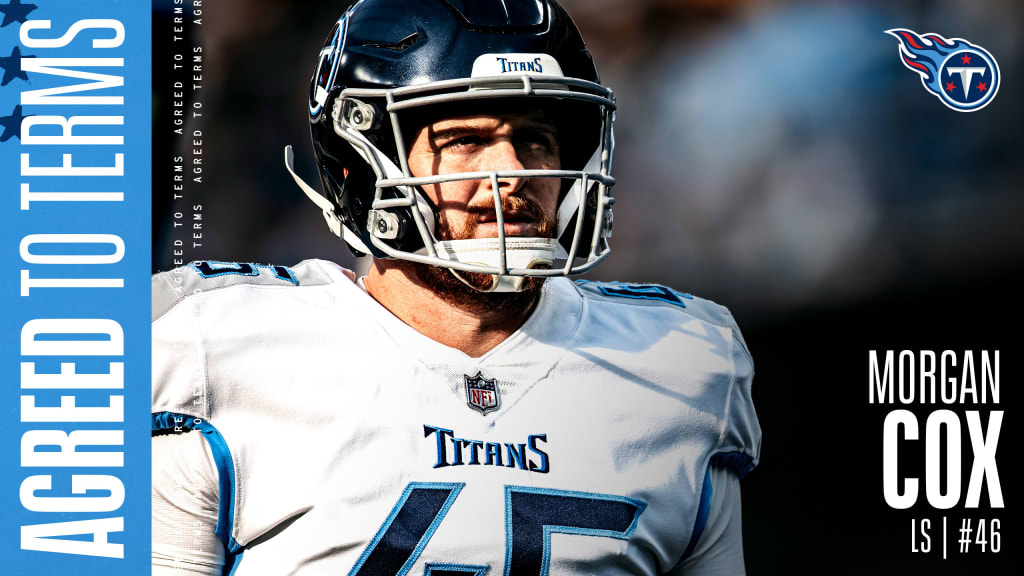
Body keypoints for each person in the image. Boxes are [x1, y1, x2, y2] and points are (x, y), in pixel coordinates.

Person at [151, 0, 760, 574]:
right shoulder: (216, 348)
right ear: (360, 166)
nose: (514, 174)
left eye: (536, 140)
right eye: (465, 140)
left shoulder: (682, 365)